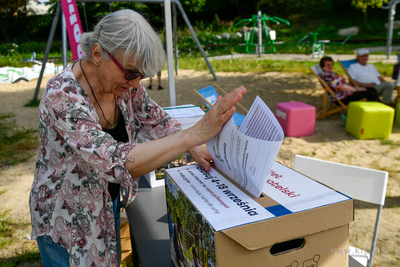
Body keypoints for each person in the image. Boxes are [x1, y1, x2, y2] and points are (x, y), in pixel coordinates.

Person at [29, 9, 246, 267]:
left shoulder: (125, 83)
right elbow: (118, 163)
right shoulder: (62, 96)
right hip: (66, 218)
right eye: (131, 73)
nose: (135, 84)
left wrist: (196, 147)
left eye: (141, 76)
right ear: (98, 54)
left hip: (105, 205)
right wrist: (193, 134)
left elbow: (155, 119)